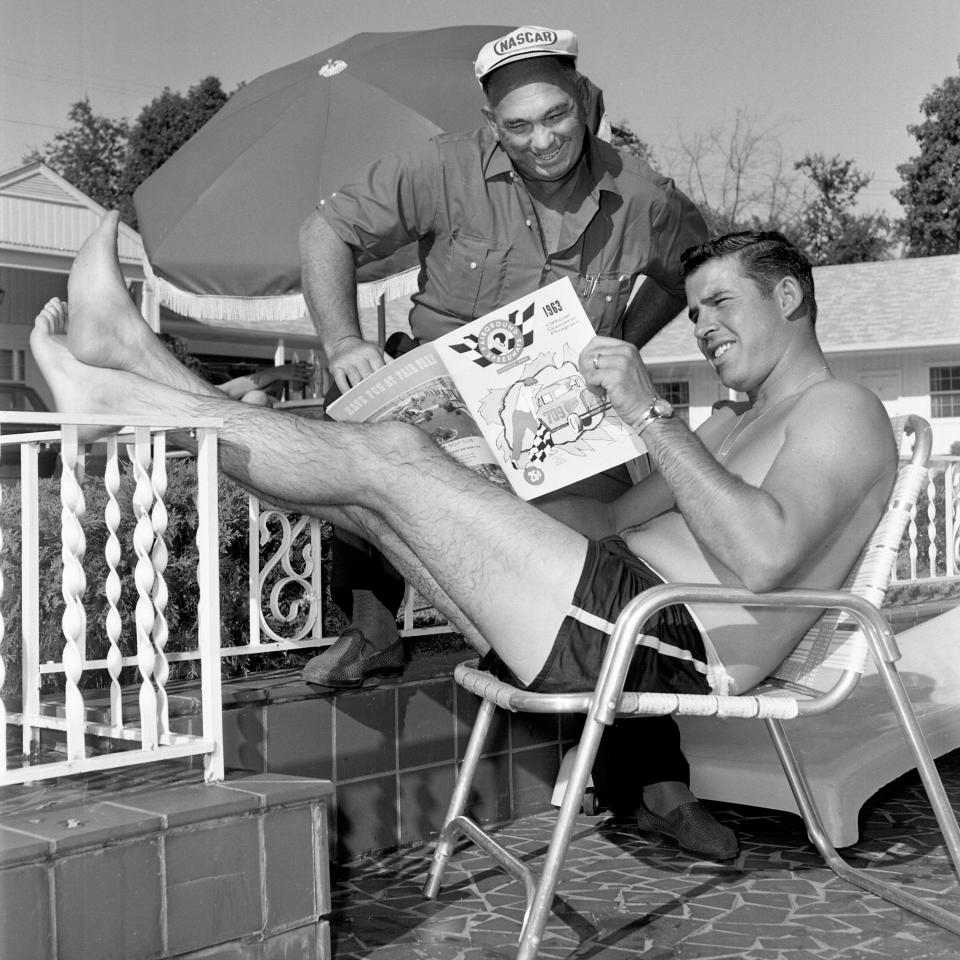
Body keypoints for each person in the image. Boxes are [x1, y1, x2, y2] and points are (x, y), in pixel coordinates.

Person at [33, 215, 896, 860]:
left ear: (788, 296)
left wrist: (645, 411)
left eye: (721, 303)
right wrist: (481, 479)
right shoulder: (728, 426)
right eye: (696, 309)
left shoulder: (841, 411)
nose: (703, 326)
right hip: (609, 602)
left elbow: (765, 554)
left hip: (659, 642)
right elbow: (601, 522)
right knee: (380, 490)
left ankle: (126, 396)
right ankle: (148, 369)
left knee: (393, 462)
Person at [298, 25, 712, 850]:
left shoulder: (643, 193)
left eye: (557, 116)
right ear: (493, 124)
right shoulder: (440, 165)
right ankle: (374, 624)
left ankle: (657, 784)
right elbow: (326, 232)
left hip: (558, 409)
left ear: (588, 103)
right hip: (443, 384)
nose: (542, 140)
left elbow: (691, 270)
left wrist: (627, 332)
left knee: (604, 568)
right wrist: (344, 342)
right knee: (356, 438)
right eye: (517, 126)